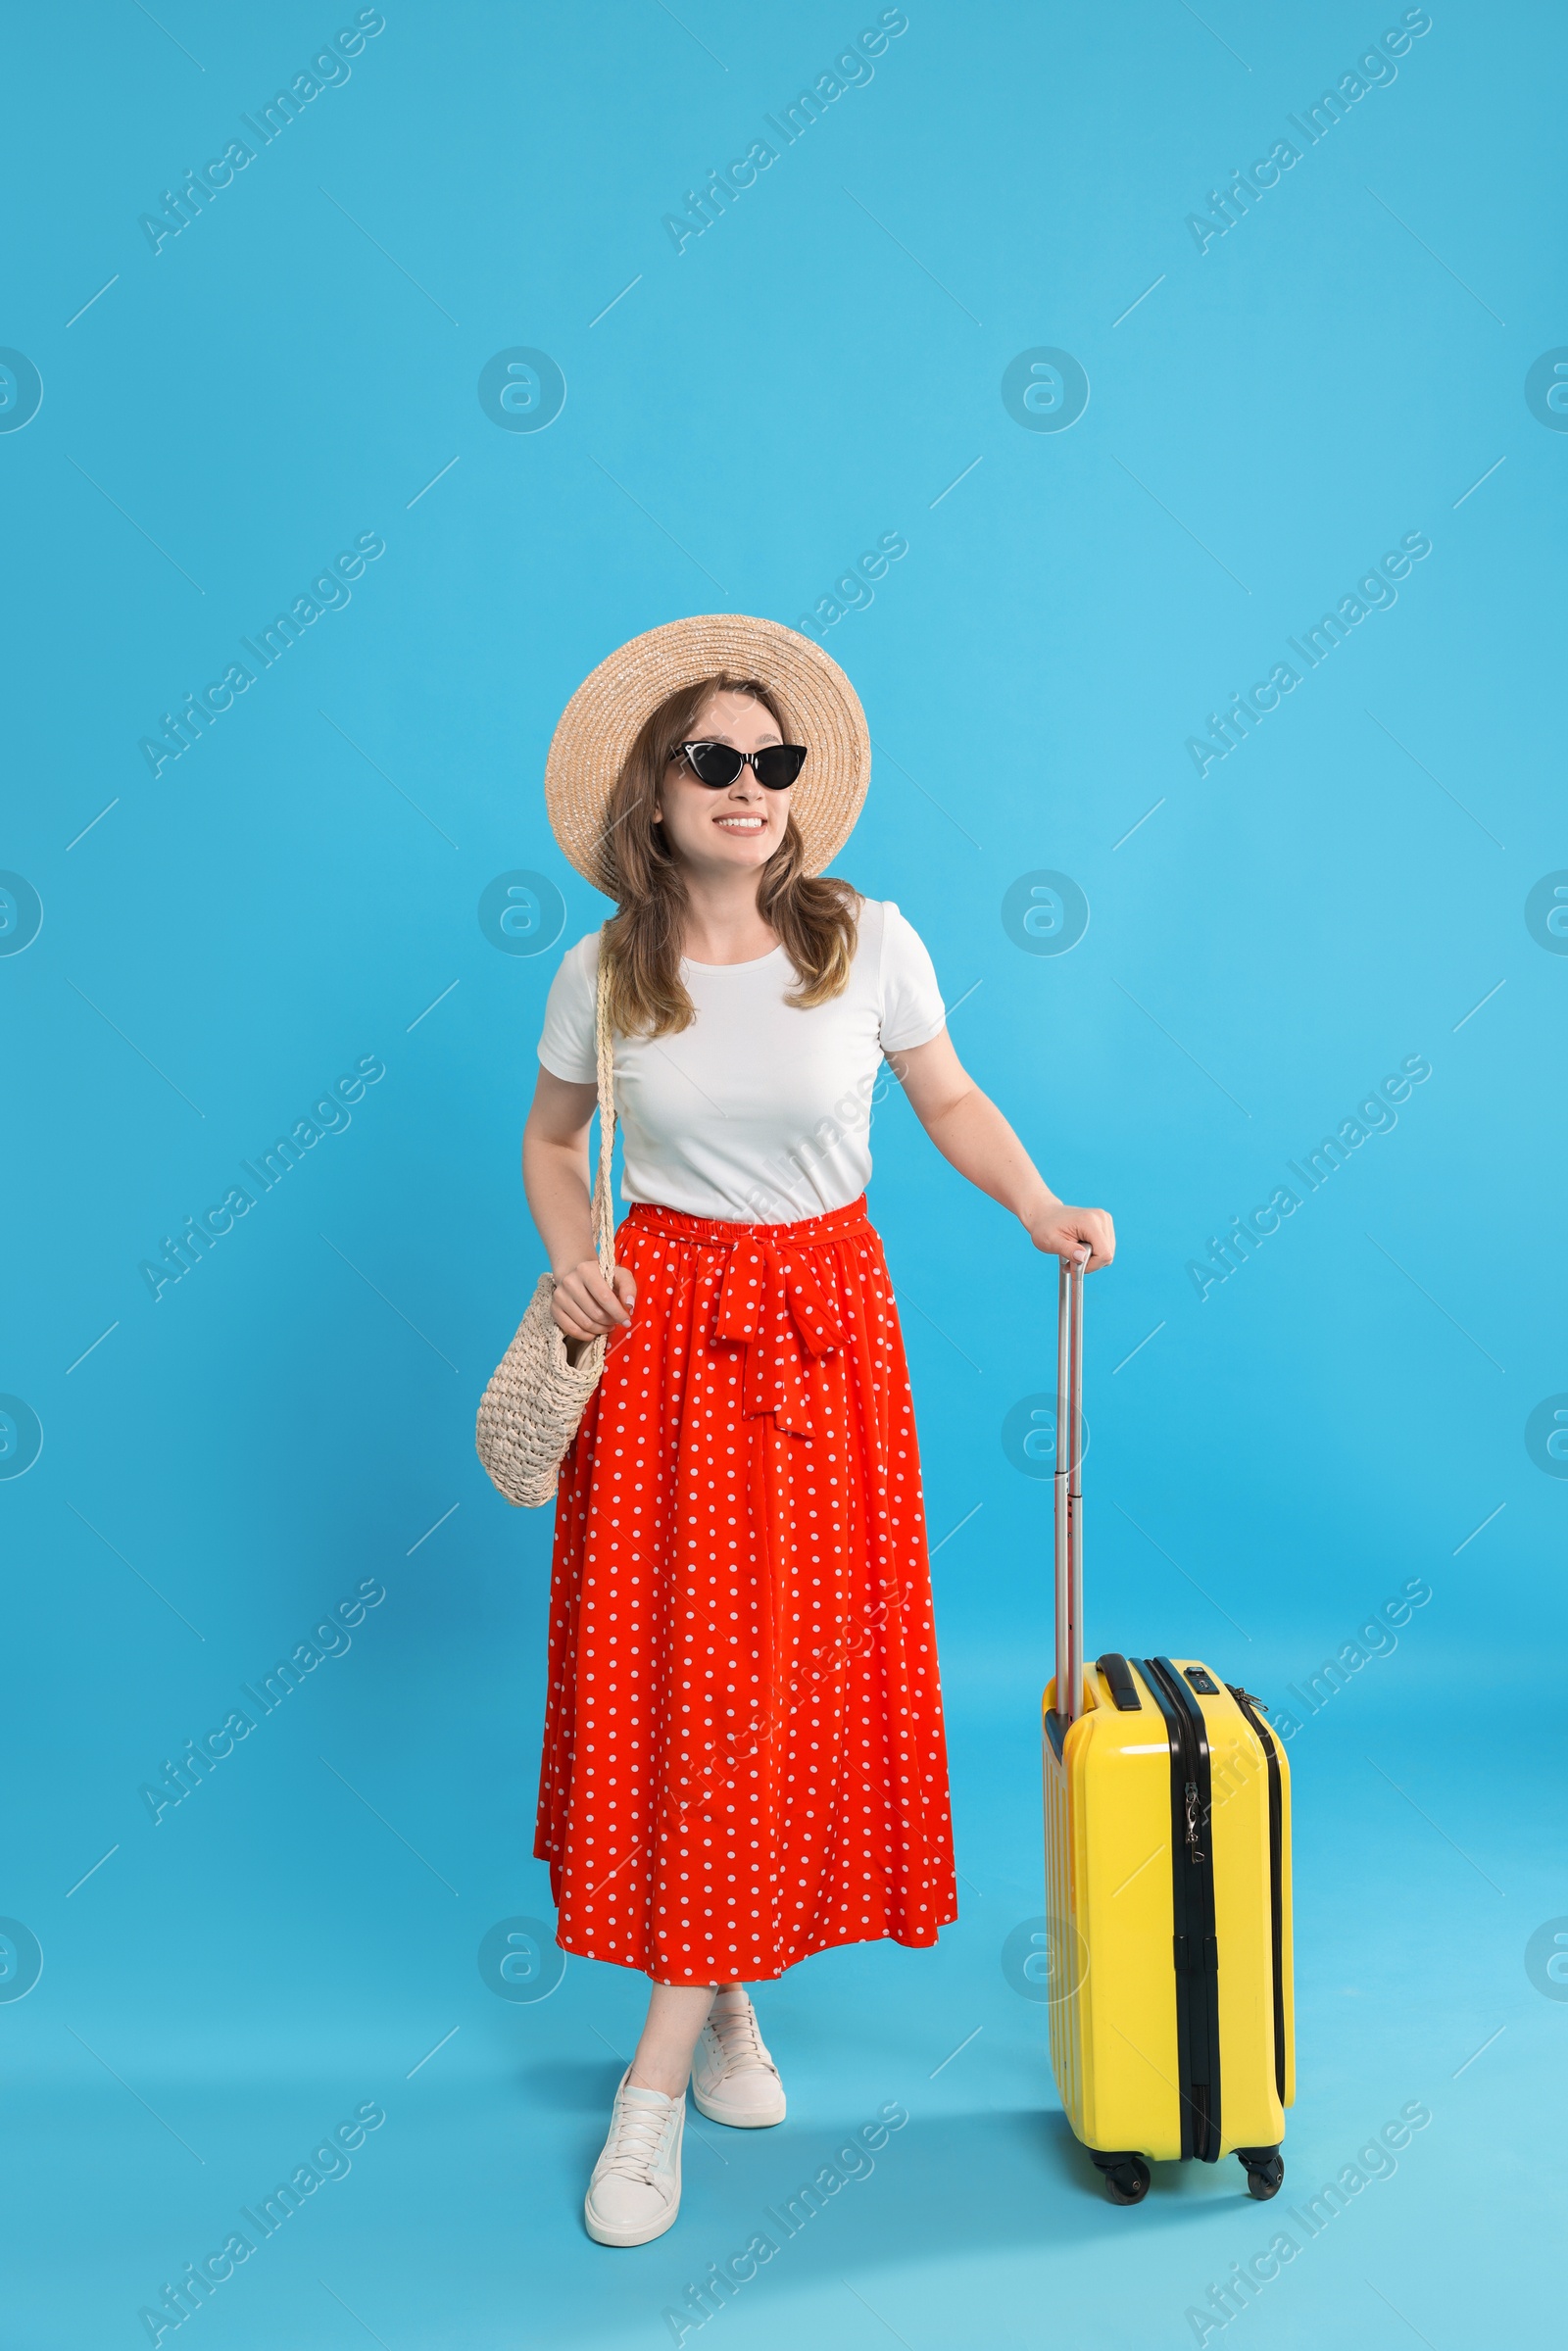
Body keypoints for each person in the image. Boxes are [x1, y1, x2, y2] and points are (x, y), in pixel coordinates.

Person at [521, 615, 1114, 2246]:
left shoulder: (865, 940)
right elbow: (556, 1137)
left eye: (772, 763)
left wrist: (1036, 1200)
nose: (750, 786)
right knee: (681, 1687)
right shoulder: (604, 972)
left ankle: (685, 2036)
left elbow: (949, 1103)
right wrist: (574, 1254)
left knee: (780, 1681)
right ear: (657, 793)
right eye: (715, 759)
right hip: (667, 1345)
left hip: (829, 1336)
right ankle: (687, 2047)